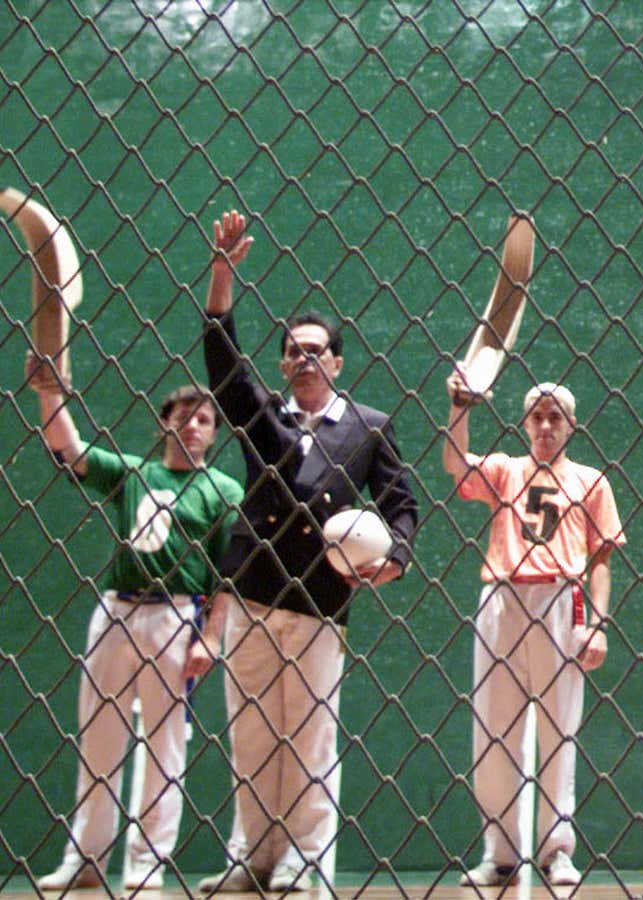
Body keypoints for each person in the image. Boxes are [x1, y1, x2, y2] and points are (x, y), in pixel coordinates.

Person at [198, 210, 418, 893]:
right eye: (294, 349)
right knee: (253, 735)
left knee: (313, 740)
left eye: (317, 349)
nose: (305, 358)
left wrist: (396, 557)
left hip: (323, 604)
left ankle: (305, 860)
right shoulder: (263, 417)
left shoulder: (370, 428)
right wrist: (222, 277)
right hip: (256, 596)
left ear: (339, 360)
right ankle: (252, 857)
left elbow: (403, 505)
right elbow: (221, 363)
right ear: (283, 362)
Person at [26, 358, 242, 893]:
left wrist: (210, 639)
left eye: (204, 420)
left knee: (165, 748)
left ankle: (146, 866)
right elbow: (70, 449)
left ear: (214, 433)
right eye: (183, 415)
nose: (192, 425)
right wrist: (48, 392)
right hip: (116, 611)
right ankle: (85, 860)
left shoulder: (224, 492)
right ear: (164, 422)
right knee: (98, 739)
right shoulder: (131, 473)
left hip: (178, 616)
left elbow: (230, 577)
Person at [443, 375, 623, 888]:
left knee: (558, 729)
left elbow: (603, 558)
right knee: (494, 730)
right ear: (524, 423)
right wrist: (461, 407)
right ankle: (500, 853)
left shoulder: (591, 481)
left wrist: (598, 626)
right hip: (501, 599)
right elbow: (457, 463)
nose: (545, 425)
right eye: (537, 416)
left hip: (561, 601)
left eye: (555, 417)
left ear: (571, 425)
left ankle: (556, 850)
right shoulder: (504, 470)